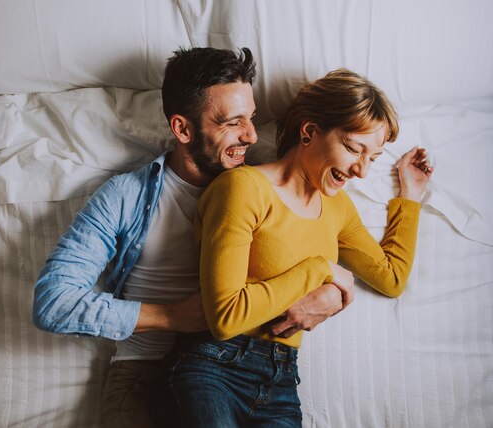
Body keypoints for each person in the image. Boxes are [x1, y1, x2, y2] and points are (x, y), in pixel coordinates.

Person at [32, 47, 345, 428]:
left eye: (252, 118)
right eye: (233, 122)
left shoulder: (266, 182)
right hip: (143, 376)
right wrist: (172, 316)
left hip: (243, 367)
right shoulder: (126, 196)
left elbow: (325, 231)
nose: (249, 135)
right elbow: (54, 302)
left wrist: (336, 291)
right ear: (182, 128)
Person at [152, 68, 434, 427]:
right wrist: (321, 270)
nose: (361, 171)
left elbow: (391, 278)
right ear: (310, 131)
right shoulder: (242, 188)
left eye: (373, 158)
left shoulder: (337, 208)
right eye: (353, 148)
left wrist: (410, 195)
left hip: (280, 382)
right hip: (212, 368)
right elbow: (226, 317)